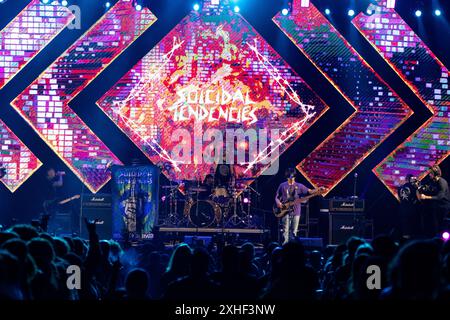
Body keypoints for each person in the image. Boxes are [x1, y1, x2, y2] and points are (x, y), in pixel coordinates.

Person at [275, 168, 319, 244]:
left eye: (292, 177)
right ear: (287, 177)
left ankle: (292, 248)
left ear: (295, 177)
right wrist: (278, 203)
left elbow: (310, 191)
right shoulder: (282, 185)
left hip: (296, 211)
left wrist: (318, 189)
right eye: (289, 178)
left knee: (294, 231)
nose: (291, 179)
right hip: (285, 211)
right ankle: (285, 247)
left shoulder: (299, 186)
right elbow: (276, 196)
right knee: (285, 231)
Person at [417, 165, 450, 237]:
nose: (429, 175)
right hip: (437, 206)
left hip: (444, 207)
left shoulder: (442, 182)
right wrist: (419, 187)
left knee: (442, 225)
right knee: (436, 225)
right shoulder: (432, 181)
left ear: (435, 173)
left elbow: (439, 197)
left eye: (431, 173)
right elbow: (427, 188)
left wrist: (426, 197)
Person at [398, 174, 421, 238]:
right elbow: (419, 198)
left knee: (405, 228)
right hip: (412, 209)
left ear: (406, 179)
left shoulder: (399, 188)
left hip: (403, 210)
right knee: (413, 227)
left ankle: (405, 242)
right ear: (411, 179)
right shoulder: (413, 187)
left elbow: (400, 200)